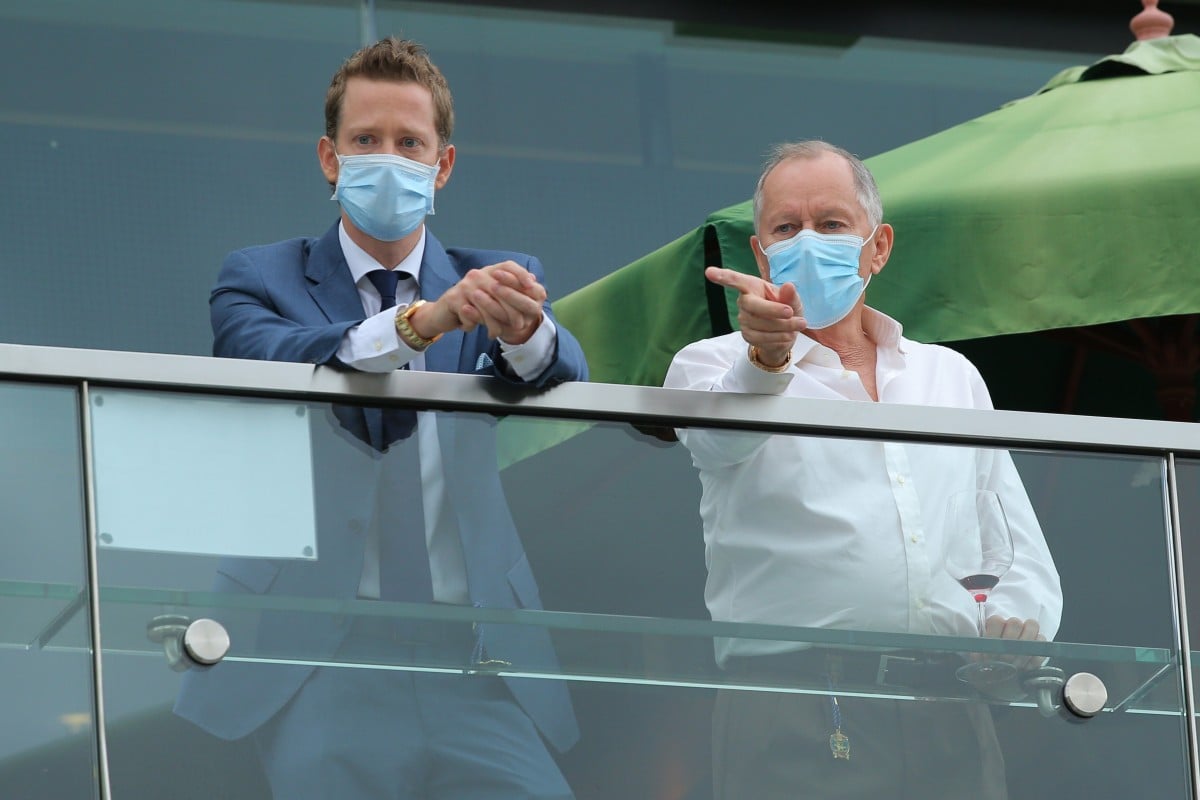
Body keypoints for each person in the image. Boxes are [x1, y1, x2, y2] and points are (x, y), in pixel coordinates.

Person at [174, 36, 586, 799]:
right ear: (330, 159)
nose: (387, 157)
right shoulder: (257, 275)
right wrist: (418, 324)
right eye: (366, 140)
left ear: (444, 165)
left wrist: (524, 332)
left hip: (477, 664)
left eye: (409, 142)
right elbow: (268, 359)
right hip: (323, 657)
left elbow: (556, 375)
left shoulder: (495, 275)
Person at [663, 140, 1061, 799]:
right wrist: (766, 360)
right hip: (796, 702)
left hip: (950, 706)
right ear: (761, 255)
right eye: (786, 228)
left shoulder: (949, 376)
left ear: (877, 247)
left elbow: (1009, 539)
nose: (808, 242)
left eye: (832, 223)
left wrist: (1014, 632)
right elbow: (717, 441)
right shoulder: (709, 364)